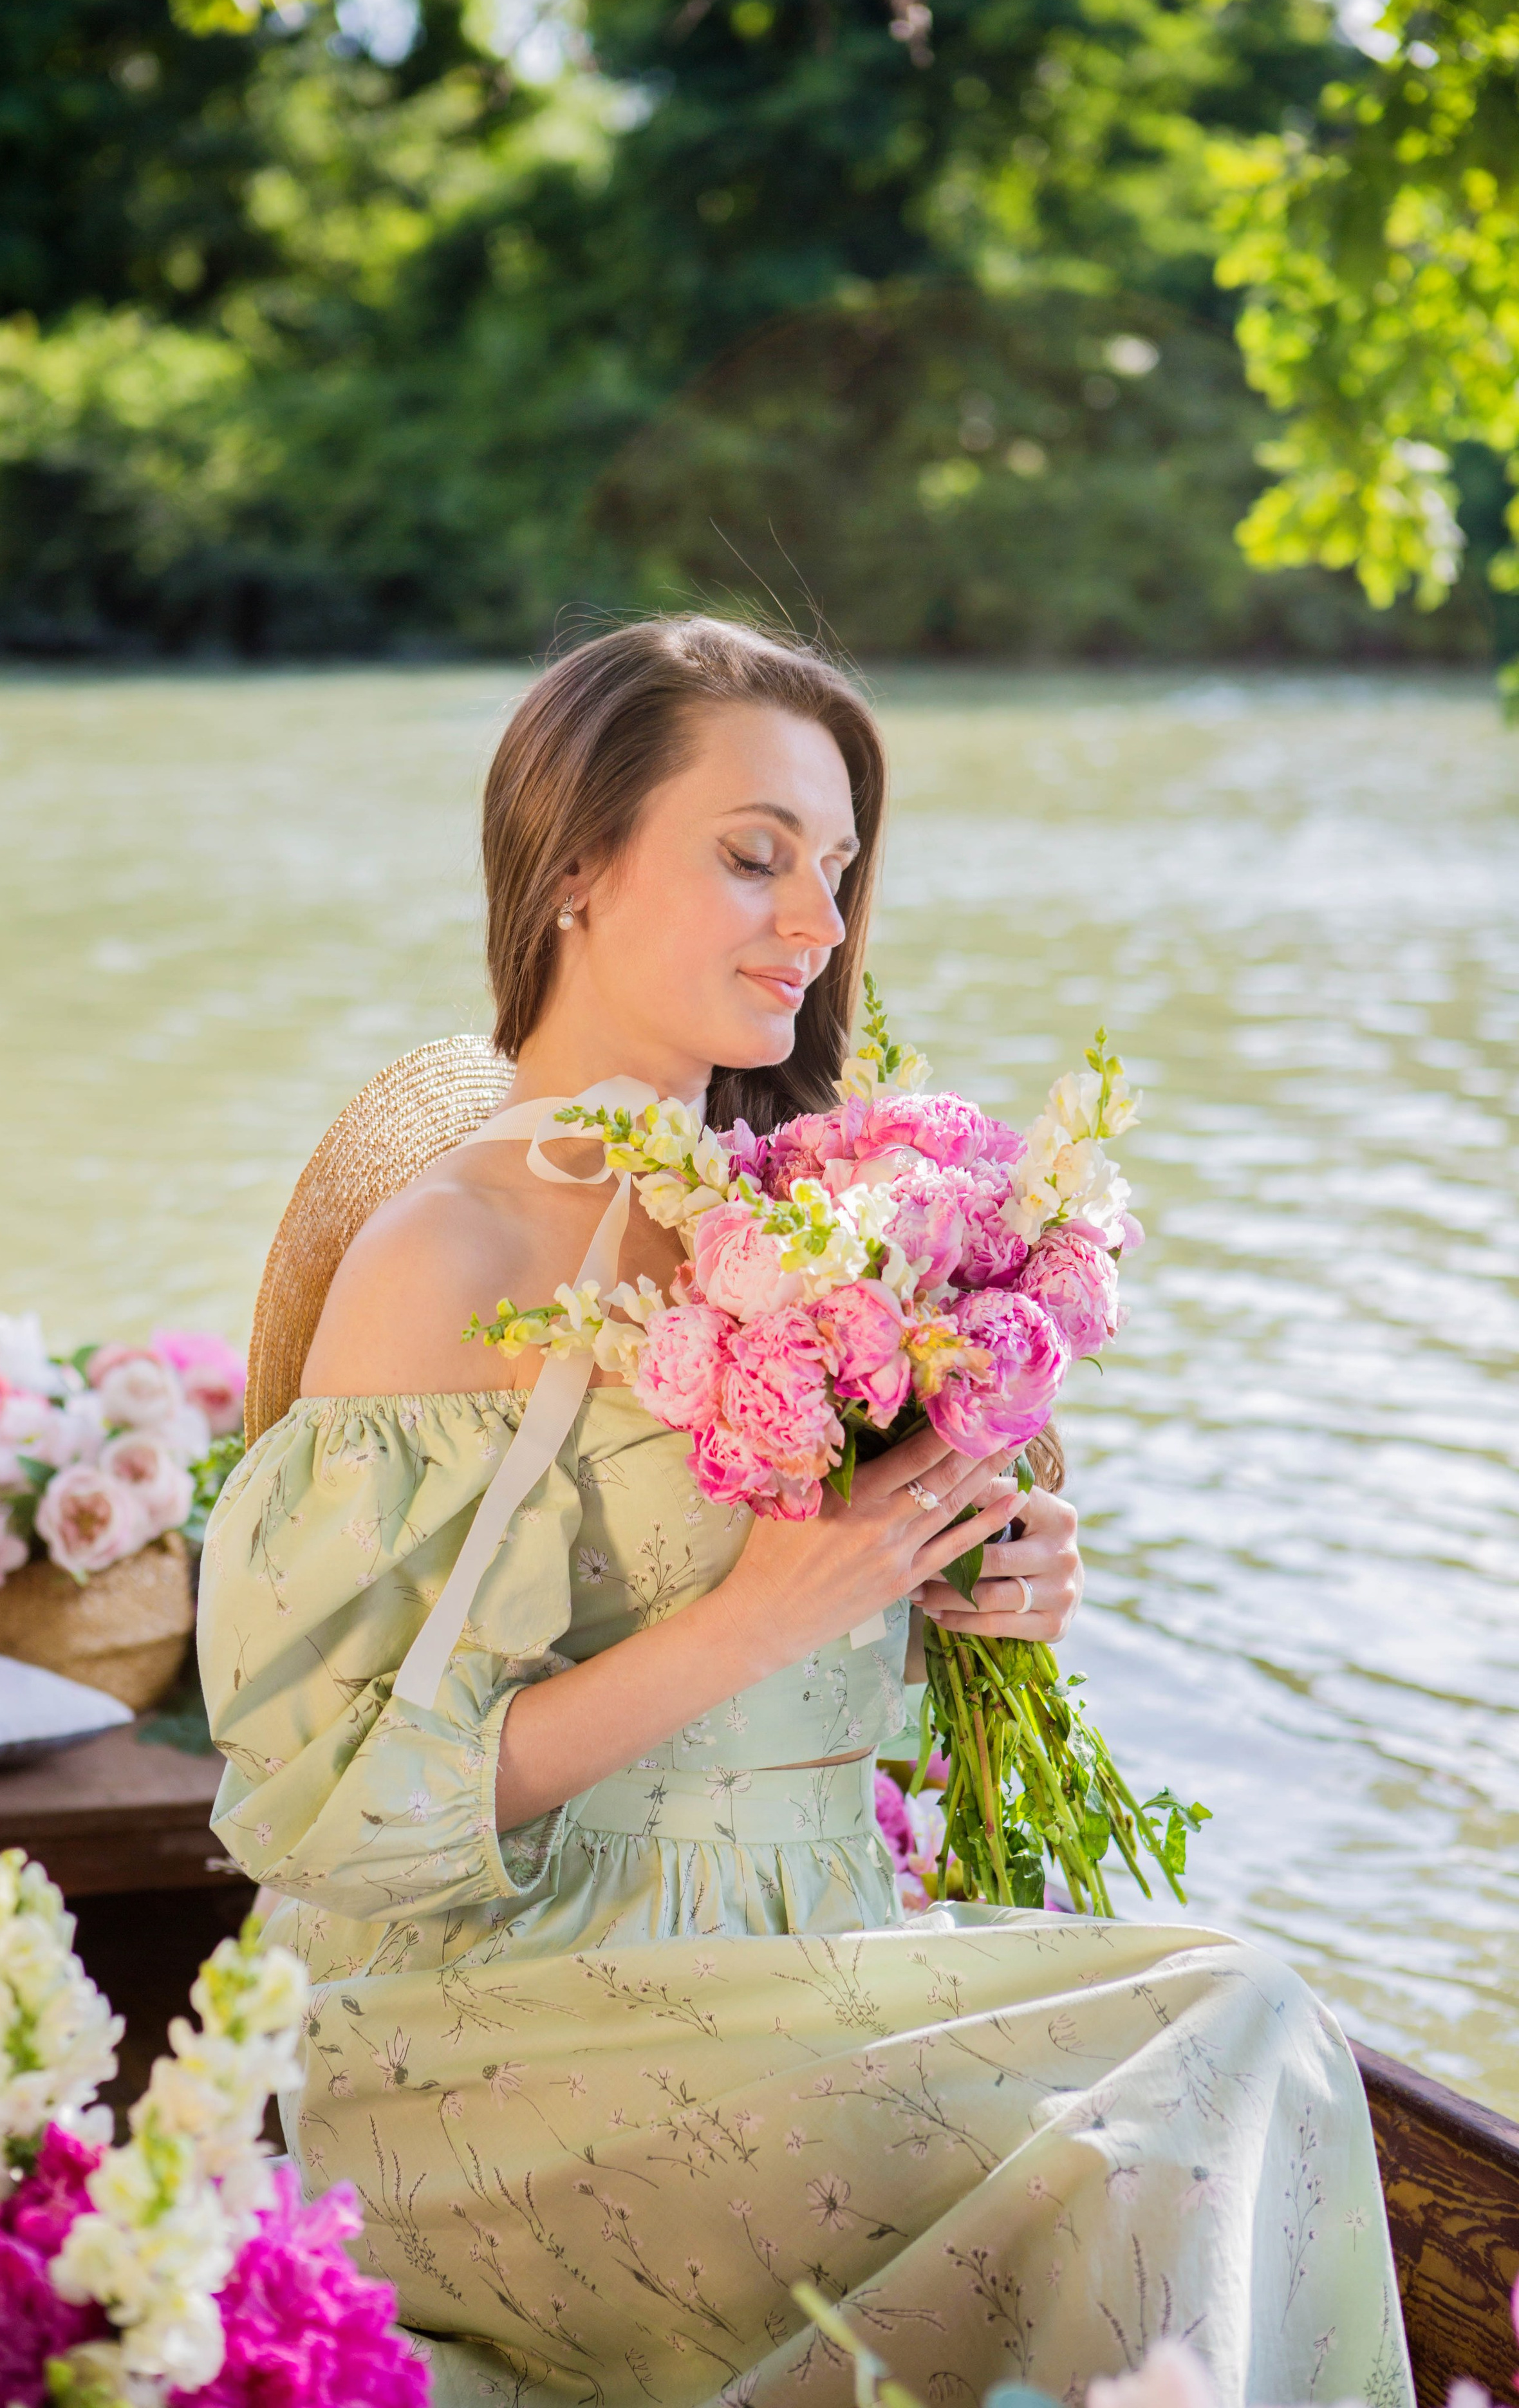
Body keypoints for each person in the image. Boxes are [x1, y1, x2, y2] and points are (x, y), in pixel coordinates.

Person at [198, 618, 1408, 2408]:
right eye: (754, 855)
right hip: (488, 2033)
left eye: (836, 872)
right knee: (1223, 2019)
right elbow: (323, 1812)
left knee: (1243, 2052)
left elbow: (803, 1713)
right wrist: (756, 1613)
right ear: (575, 871)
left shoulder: (822, 1234)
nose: (817, 925)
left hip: (794, 1960)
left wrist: (969, 1591)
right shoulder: (448, 1252)